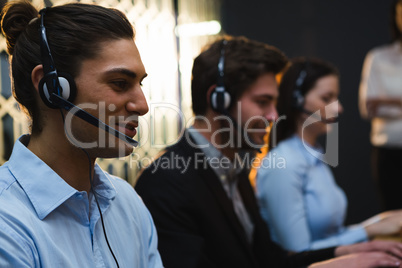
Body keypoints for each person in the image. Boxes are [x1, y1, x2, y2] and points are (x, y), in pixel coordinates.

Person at [135, 36, 402, 268]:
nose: (275, 116)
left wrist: (343, 252)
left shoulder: (232, 170)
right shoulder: (165, 183)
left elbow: (269, 261)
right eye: (263, 103)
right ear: (218, 100)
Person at [0, 2, 162, 267]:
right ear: (53, 88)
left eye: (139, 84)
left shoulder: (128, 204)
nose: (142, 106)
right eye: (120, 83)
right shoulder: (7, 220)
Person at [256, 57, 402, 253]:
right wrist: (369, 231)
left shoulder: (311, 155)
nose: (338, 108)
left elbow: (332, 236)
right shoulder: (284, 163)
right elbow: (299, 253)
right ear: (297, 100)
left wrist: (382, 221)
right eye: (327, 98)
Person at [359, 0, 402, 210]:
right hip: (388, 150)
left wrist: (388, 100)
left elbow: (378, 104)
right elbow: (367, 107)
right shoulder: (378, 57)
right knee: (392, 214)